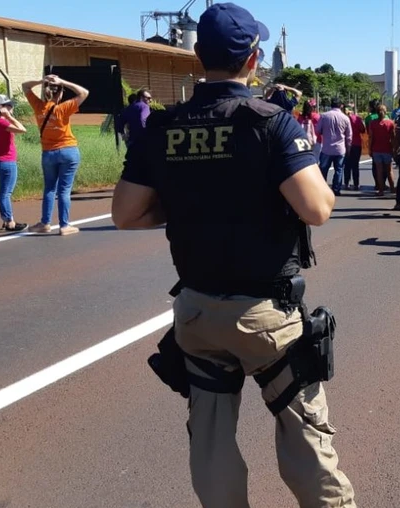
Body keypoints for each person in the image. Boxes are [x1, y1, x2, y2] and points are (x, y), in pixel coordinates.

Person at [110, 4, 355, 507]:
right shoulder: (272, 123)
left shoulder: (163, 126)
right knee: (305, 436)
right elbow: (316, 209)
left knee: (211, 440)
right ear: (254, 58)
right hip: (265, 316)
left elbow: (126, 214)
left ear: (198, 55)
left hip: (197, 311)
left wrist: (186, 204)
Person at [22, 73, 89, 236]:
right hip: (68, 150)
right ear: (60, 93)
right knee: (64, 190)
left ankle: (45, 223)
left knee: (49, 189)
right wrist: (62, 82)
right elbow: (84, 93)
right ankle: (64, 225)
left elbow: (25, 86)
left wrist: (41, 81)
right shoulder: (63, 108)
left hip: (48, 153)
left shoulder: (38, 107)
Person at [0, 94, 28, 232]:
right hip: (7, 162)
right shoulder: (2, 122)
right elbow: (22, 129)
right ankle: (10, 222)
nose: (12, 107)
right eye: (9, 105)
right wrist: (9, 117)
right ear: (1, 107)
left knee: (4, 192)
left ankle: (6, 219)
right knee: (5, 193)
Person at [316, 98, 352, 195]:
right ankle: (336, 189)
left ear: (331, 105)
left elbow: (317, 130)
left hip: (326, 148)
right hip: (340, 149)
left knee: (323, 169)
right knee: (339, 170)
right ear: (341, 106)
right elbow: (349, 136)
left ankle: (322, 189)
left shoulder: (324, 116)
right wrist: (348, 149)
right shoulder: (345, 118)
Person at [369, 104, 396, 195]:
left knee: (379, 171)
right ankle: (392, 188)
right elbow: (393, 138)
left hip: (376, 149)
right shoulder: (390, 123)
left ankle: (381, 190)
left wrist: (370, 149)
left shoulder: (372, 123)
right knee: (389, 170)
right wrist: (394, 149)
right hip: (387, 149)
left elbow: (371, 138)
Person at [344, 104, 365, 191]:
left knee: (347, 165)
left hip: (346, 144)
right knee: (355, 165)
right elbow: (363, 130)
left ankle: (346, 183)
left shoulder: (343, 119)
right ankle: (356, 184)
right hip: (356, 144)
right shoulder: (357, 119)